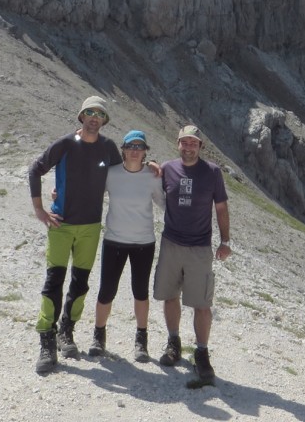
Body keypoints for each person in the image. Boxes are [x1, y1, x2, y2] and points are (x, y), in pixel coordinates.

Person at [29, 95, 122, 375]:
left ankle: (66, 332)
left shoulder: (108, 148)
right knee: (54, 281)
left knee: (80, 283)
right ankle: (47, 339)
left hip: (91, 226)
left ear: (104, 120)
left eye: (100, 114)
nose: (95, 118)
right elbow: (35, 169)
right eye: (90, 112)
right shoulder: (66, 144)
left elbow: (123, 175)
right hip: (61, 224)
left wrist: (153, 167)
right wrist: (40, 211)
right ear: (81, 116)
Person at [153, 124, 232, 383]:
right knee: (170, 295)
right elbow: (144, 180)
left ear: (200, 147)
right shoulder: (167, 169)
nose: (188, 147)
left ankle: (201, 352)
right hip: (171, 243)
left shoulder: (212, 172)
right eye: (184, 142)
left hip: (200, 247)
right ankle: (173, 342)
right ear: (178, 144)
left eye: (193, 143)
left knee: (202, 304)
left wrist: (225, 241)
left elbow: (220, 208)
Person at [85, 130, 165, 362]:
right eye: (130, 146)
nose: (134, 151)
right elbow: (91, 193)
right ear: (123, 149)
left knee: (140, 291)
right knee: (106, 290)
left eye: (139, 147)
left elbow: (163, 203)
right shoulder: (111, 173)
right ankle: (98, 336)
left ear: (145, 152)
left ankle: (141, 340)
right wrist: (59, 194)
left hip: (143, 242)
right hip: (114, 240)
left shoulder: (153, 176)